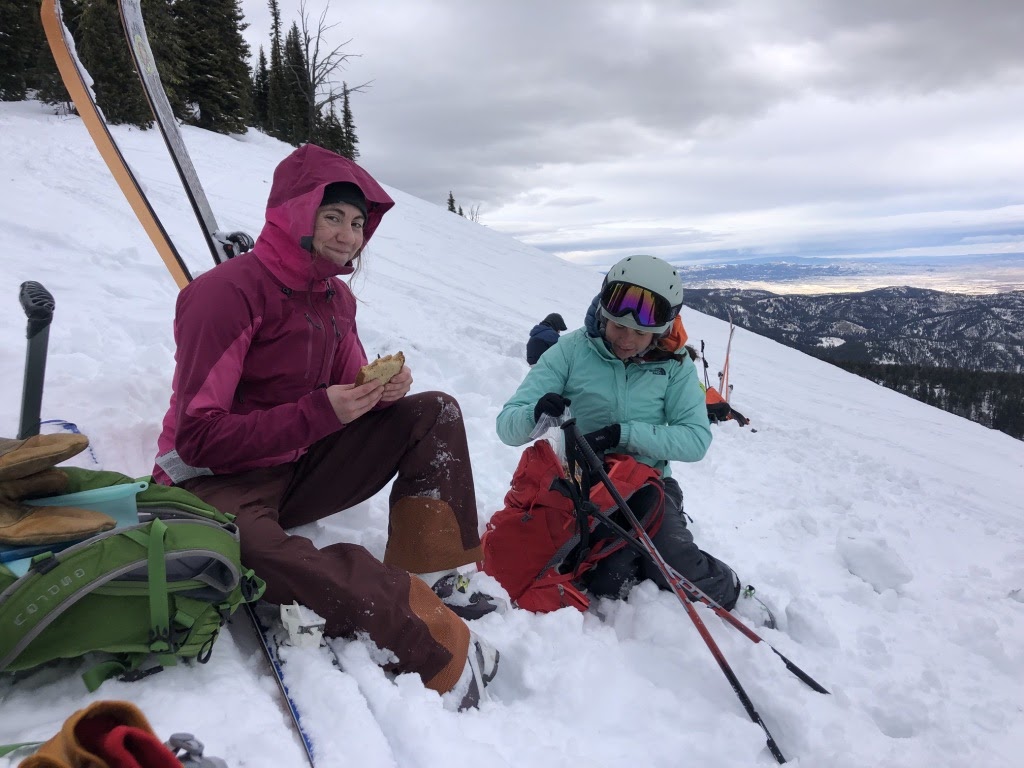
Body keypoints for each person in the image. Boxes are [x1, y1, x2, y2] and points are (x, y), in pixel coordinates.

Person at [152, 144, 498, 710]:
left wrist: (383, 392)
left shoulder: (335, 298)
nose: (347, 234)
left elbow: (347, 384)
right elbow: (197, 438)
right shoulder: (224, 294)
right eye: (333, 216)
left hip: (297, 463)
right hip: (210, 484)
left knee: (435, 411)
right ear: (295, 211)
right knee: (260, 557)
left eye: (358, 222)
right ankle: (426, 638)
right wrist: (320, 413)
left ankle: (438, 572)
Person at [496, 255, 741, 610]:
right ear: (603, 314)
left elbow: (695, 439)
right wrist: (536, 415)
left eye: (640, 332)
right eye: (617, 327)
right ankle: (635, 562)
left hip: (647, 485)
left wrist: (620, 435)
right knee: (609, 580)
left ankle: (728, 586)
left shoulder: (674, 365)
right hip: (582, 486)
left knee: (678, 567)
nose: (627, 340)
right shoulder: (572, 350)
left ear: (661, 328)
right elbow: (507, 425)